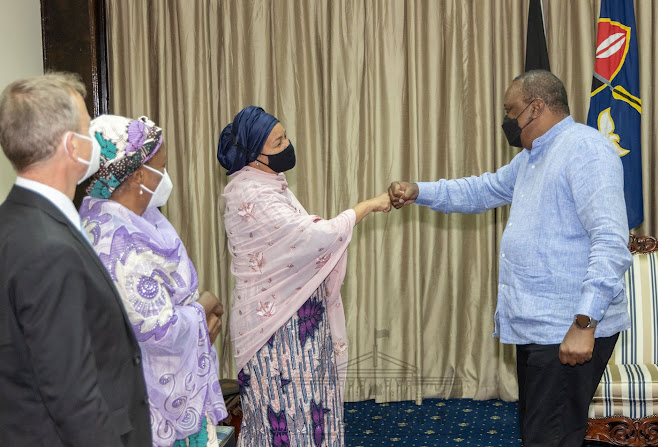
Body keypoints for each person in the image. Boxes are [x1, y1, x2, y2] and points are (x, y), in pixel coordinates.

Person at [388, 70, 632, 447]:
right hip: (540, 326)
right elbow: (481, 190)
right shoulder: (532, 157)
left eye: (510, 110)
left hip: (568, 325)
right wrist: (418, 191)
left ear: (536, 107)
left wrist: (585, 323)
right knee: (542, 431)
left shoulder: (585, 149)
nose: (507, 120)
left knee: (551, 436)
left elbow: (611, 239)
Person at [217, 106, 391, 447]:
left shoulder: (269, 183)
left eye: (285, 137)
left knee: (310, 415)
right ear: (255, 153)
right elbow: (314, 237)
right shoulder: (252, 193)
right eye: (278, 141)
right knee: (282, 419)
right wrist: (367, 205)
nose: (287, 145)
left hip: (299, 323)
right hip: (275, 330)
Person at [0, 73, 151, 446]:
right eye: (88, 129)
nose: (94, 140)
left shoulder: (14, 221)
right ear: (72, 146)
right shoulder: (47, 248)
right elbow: (72, 394)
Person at [78, 114, 227, 447]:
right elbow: (159, 329)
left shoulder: (135, 217)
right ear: (141, 174)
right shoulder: (116, 242)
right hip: (151, 406)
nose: (166, 176)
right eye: (163, 166)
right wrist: (203, 308)